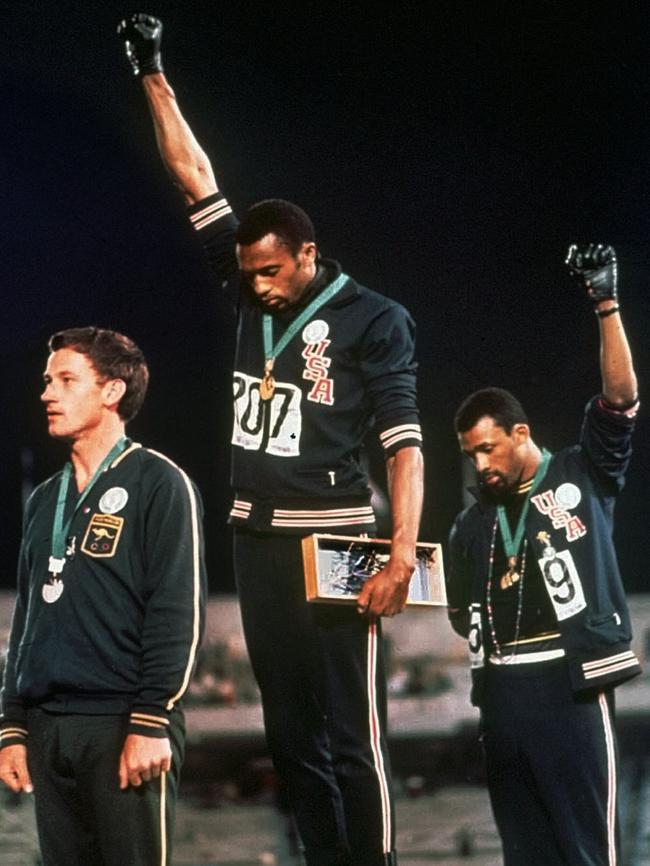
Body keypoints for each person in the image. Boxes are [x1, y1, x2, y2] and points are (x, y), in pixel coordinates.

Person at [117, 14, 424, 866]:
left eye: (270, 274)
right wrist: (151, 70)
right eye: (246, 273)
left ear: (308, 256)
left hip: (336, 541)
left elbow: (405, 444)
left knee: (354, 736)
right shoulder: (252, 287)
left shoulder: (376, 320)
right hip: (255, 538)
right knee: (290, 739)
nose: (254, 289)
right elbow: (194, 178)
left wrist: (399, 554)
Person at [447, 244, 641, 866]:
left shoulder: (581, 475)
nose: (480, 465)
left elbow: (620, 402)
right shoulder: (471, 525)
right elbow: (454, 608)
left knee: (586, 851)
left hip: (569, 686)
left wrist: (605, 303)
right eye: (470, 455)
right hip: (500, 695)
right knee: (524, 855)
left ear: (520, 433)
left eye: (487, 450)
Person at [0, 327, 207, 866]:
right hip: (48, 730)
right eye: (48, 381)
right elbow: (27, 619)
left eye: (66, 380)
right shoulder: (45, 499)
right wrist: (13, 725)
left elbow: (176, 614)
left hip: (123, 725)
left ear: (112, 392)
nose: (47, 393)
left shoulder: (161, 484)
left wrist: (150, 719)